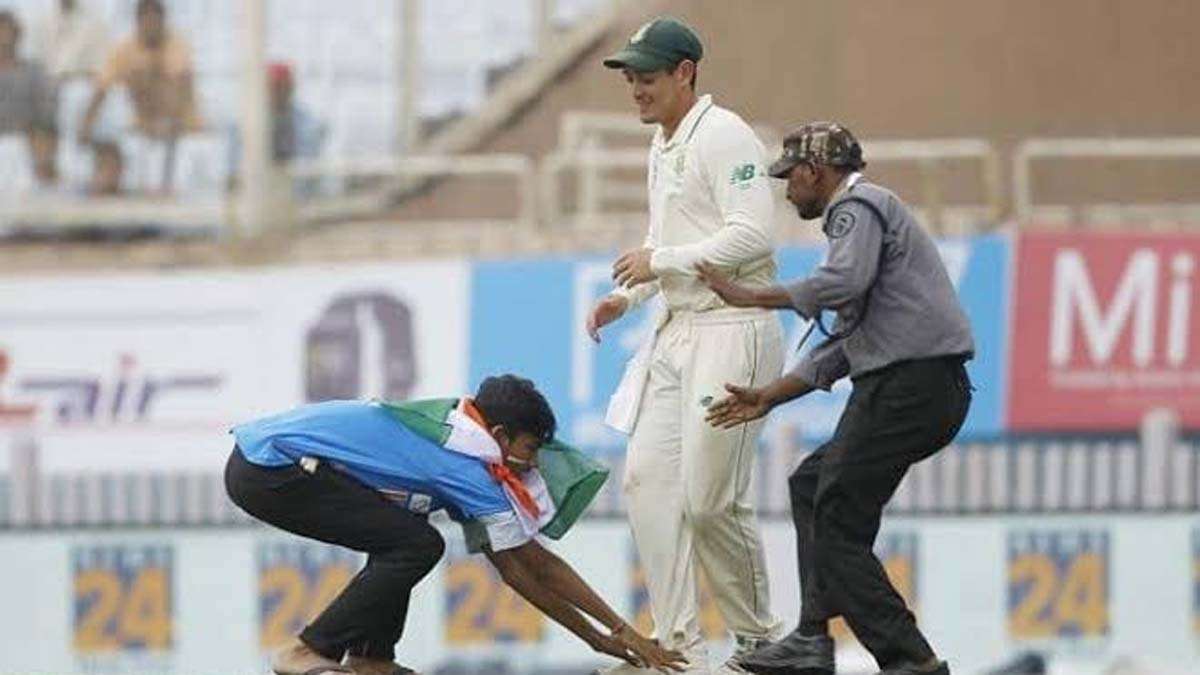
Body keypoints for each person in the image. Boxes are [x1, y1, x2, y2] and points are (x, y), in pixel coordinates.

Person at [695, 122, 975, 675]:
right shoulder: (865, 222)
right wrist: (772, 395)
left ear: (814, 171)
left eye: (789, 178)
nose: (786, 190)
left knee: (839, 520)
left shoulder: (856, 208)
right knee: (811, 487)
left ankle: (909, 660)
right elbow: (847, 340)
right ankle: (812, 636)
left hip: (907, 387)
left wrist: (751, 296)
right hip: (923, 389)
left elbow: (841, 283)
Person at [225, 374, 686, 675]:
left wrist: (603, 638)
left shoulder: (463, 434)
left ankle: (371, 658)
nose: (533, 463)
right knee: (417, 544)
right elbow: (532, 568)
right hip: (270, 469)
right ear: (500, 436)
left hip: (267, 463)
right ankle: (307, 650)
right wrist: (612, 634)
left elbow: (520, 569)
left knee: (403, 534)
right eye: (530, 447)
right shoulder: (467, 465)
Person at [587, 15, 785, 674]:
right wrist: (629, 297)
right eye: (631, 79)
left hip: (734, 327)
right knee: (646, 482)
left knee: (709, 498)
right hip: (677, 328)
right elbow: (661, 241)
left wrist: (661, 261)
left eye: (647, 77)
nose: (637, 89)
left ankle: (762, 643)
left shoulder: (725, 134)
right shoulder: (662, 145)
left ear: (684, 73)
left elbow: (753, 233)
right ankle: (676, 648)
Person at [79, 0, 201, 143]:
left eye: (155, 21)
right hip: (142, 131)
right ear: (138, 22)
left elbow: (183, 90)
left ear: (163, 21)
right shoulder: (125, 50)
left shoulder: (178, 46)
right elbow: (101, 88)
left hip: (183, 131)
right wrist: (86, 125)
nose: (151, 27)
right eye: (146, 20)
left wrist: (170, 125)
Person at [0, 10, 58, 185]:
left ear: (17, 35)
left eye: (8, 32)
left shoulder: (33, 72)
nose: (4, 38)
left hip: (26, 142)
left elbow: (46, 115)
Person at [29, 0, 110, 81]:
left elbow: (97, 70)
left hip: (78, 87)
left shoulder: (96, 27)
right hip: (43, 87)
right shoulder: (40, 24)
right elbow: (34, 64)